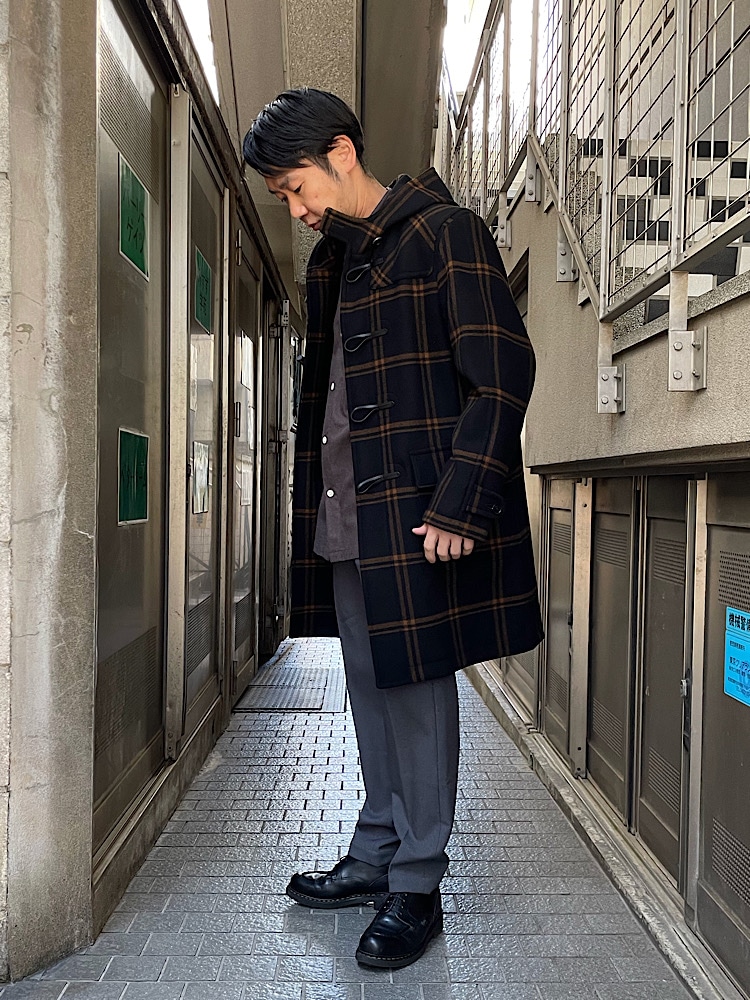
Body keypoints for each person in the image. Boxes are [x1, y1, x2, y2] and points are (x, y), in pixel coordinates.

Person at [242, 88, 542, 970]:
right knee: (369, 687)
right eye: (282, 199)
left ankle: (417, 882)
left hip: (416, 517)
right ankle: (376, 849)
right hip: (347, 513)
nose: (296, 211)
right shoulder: (333, 264)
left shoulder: (446, 235)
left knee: (416, 691)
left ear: (341, 152)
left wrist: (460, 502)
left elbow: (502, 374)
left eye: (296, 188)